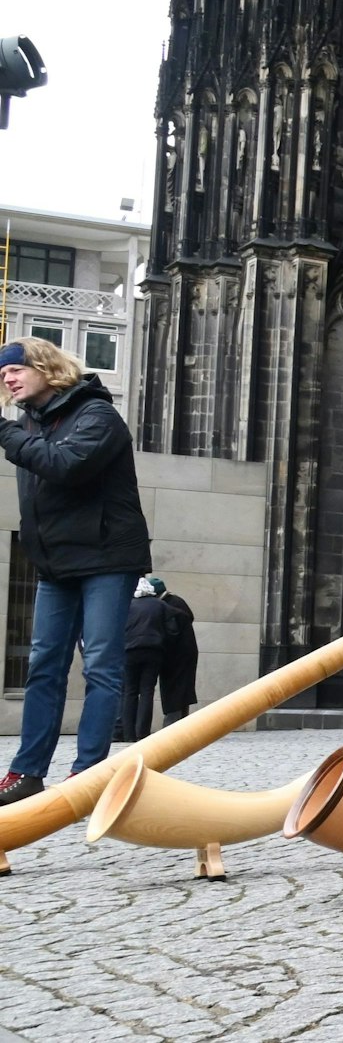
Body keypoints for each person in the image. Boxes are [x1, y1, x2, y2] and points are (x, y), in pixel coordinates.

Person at [0, 338, 153, 806]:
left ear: (47, 367)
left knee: (102, 664)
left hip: (106, 558)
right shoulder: (29, 424)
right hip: (56, 564)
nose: (7, 379)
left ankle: (87, 773)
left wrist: (5, 434)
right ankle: (26, 772)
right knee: (43, 666)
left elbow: (65, 466)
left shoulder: (97, 416)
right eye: (2, 375)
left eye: (15, 369)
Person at [121, 575, 195, 739]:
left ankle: (128, 734)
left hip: (130, 652)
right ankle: (142, 733)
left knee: (130, 692)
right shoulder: (160, 605)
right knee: (147, 691)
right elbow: (181, 618)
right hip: (152, 651)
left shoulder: (128, 606)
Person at [158, 578, 199, 726]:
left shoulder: (167, 606)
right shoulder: (177, 602)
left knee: (173, 691)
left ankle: (172, 724)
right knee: (183, 690)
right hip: (186, 652)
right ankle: (181, 723)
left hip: (175, 655)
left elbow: (171, 633)